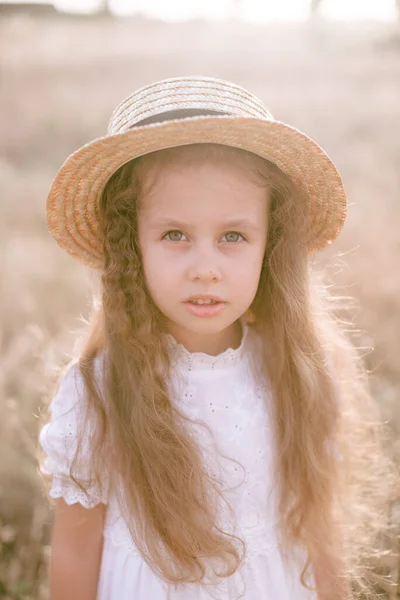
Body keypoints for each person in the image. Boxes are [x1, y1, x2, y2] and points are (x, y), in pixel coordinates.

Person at [38, 76, 395, 600]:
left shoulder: (295, 371)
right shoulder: (99, 391)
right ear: (132, 246)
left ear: (268, 246)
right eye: (175, 235)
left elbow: (321, 531)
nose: (205, 268)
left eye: (233, 236)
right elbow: (74, 552)